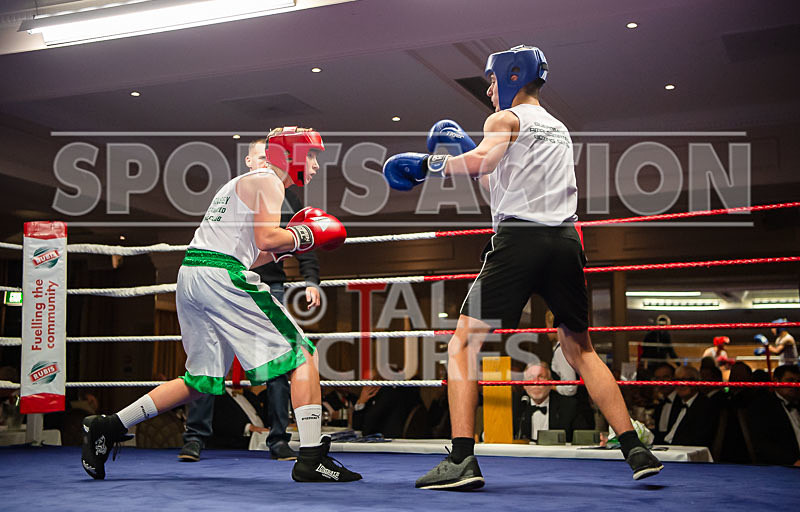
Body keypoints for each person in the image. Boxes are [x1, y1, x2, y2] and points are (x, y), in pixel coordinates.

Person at [383, 45, 662, 489]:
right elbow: (497, 181)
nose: (490, 89)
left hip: (520, 241)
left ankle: (460, 459)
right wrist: (467, 154)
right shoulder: (558, 127)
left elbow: (481, 163)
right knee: (579, 349)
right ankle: (635, 448)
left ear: (512, 75)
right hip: (566, 241)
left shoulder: (504, 119)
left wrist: (425, 165)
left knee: (461, 345)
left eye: (492, 80)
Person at [81, 127, 361, 483]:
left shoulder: (242, 185)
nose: (316, 165)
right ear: (290, 153)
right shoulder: (268, 181)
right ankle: (311, 458)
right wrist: (307, 234)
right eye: (311, 155)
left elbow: (256, 253)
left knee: (199, 380)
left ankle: (108, 425)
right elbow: (266, 238)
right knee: (303, 354)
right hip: (220, 275)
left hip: (193, 275)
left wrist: (293, 242)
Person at [178, 139, 322, 463]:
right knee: (293, 354)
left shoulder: (285, 195)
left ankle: (279, 439)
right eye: (259, 158)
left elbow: (293, 246)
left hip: (258, 280)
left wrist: (310, 278)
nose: (263, 164)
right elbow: (267, 239)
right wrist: (305, 235)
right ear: (250, 160)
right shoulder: (249, 186)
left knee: (279, 364)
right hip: (232, 277)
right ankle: (195, 436)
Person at [513, 362, 592, 443]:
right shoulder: (515, 407)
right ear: (524, 385)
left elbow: (584, 441)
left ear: (551, 383)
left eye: (541, 377)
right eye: (530, 378)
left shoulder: (569, 407)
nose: (536, 382)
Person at [745, 364, 800, 465]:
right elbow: (762, 444)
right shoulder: (763, 406)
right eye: (790, 380)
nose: (795, 385)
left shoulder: (797, 405)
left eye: (798, 381)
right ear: (776, 381)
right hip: (781, 467)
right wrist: (793, 462)